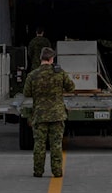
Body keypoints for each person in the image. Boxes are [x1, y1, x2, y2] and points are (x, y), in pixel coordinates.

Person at [22, 47, 75, 178]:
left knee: (39, 144)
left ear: (41, 58)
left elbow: (26, 93)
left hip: (40, 115)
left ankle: (38, 171)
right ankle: (57, 171)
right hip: (57, 115)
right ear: (52, 58)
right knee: (56, 144)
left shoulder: (33, 75)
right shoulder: (59, 73)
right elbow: (71, 87)